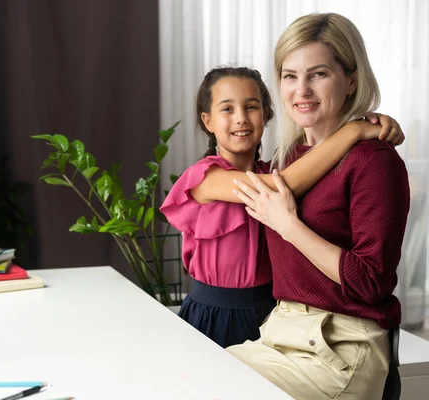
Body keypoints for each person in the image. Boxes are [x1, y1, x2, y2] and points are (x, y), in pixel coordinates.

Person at [228, 13, 410, 399]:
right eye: (290, 76)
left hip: (341, 348)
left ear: (352, 80)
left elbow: (370, 282)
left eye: (319, 74)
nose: (302, 90)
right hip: (279, 333)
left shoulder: (374, 161)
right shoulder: (287, 159)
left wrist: (288, 224)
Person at [159, 66, 404, 348]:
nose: (241, 118)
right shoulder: (205, 178)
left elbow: (316, 154)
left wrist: (368, 122)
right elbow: (282, 184)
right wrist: (354, 130)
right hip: (214, 315)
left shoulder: (281, 166)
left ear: (266, 115)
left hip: (274, 313)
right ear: (208, 121)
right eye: (227, 109)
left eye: (251, 107)